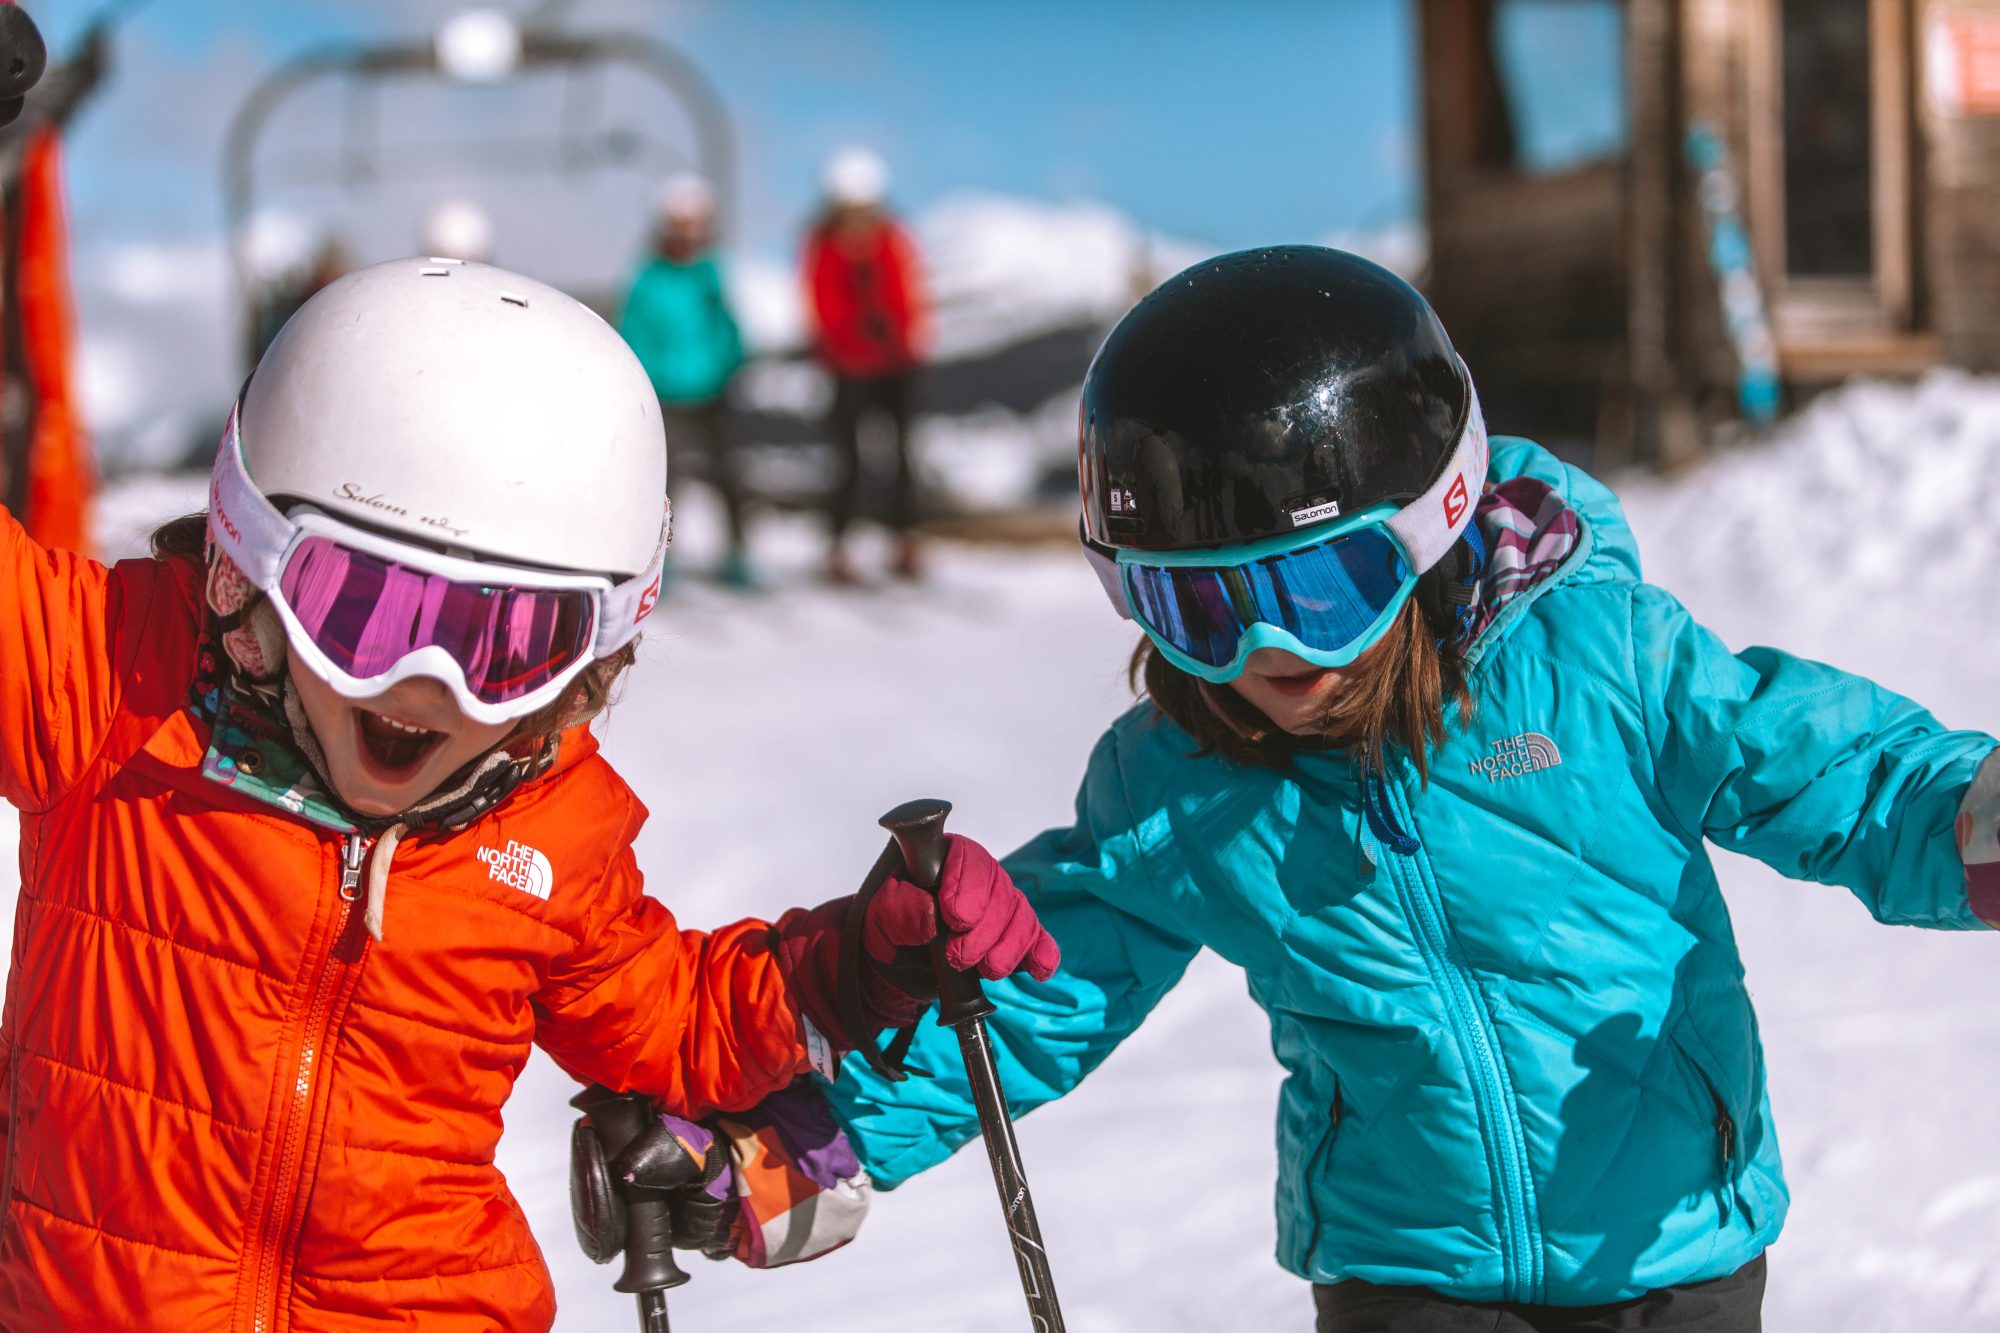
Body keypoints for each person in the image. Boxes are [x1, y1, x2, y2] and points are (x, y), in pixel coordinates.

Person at [822, 245, 2000, 1331]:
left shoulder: (1598, 663)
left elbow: (1831, 771)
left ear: (1433, 528)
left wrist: (1964, 818)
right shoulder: (1176, 781)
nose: (1264, 652)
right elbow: (1034, 989)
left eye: (1318, 587)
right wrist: (811, 1141)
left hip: (1665, 1243)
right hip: (1404, 1270)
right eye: (1198, 608)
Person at [0, 256, 1056, 1330]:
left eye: (501, 641)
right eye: (361, 608)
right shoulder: (115, 682)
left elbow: (670, 1020)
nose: (423, 685)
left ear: (588, 658)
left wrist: (847, 968)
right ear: (252, 563)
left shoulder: (549, 824)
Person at [619, 174, 756, 589]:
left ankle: (737, 553)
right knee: (667, 482)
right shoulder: (648, 279)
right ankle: (662, 559)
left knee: (729, 474)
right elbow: (635, 333)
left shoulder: (712, 275)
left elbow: (727, 326)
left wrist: (735, 363)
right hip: (667, 392)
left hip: (715, 388)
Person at [801, 147, 929, 585]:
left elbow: (907, 297)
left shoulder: (892, 241)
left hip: (893, 365)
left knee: (900, 457)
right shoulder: (824, 247)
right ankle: (840, 547)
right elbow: (823, 306)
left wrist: (898, 339)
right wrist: (854, 340)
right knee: (849, 460)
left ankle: (904, 540)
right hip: (849, 367)